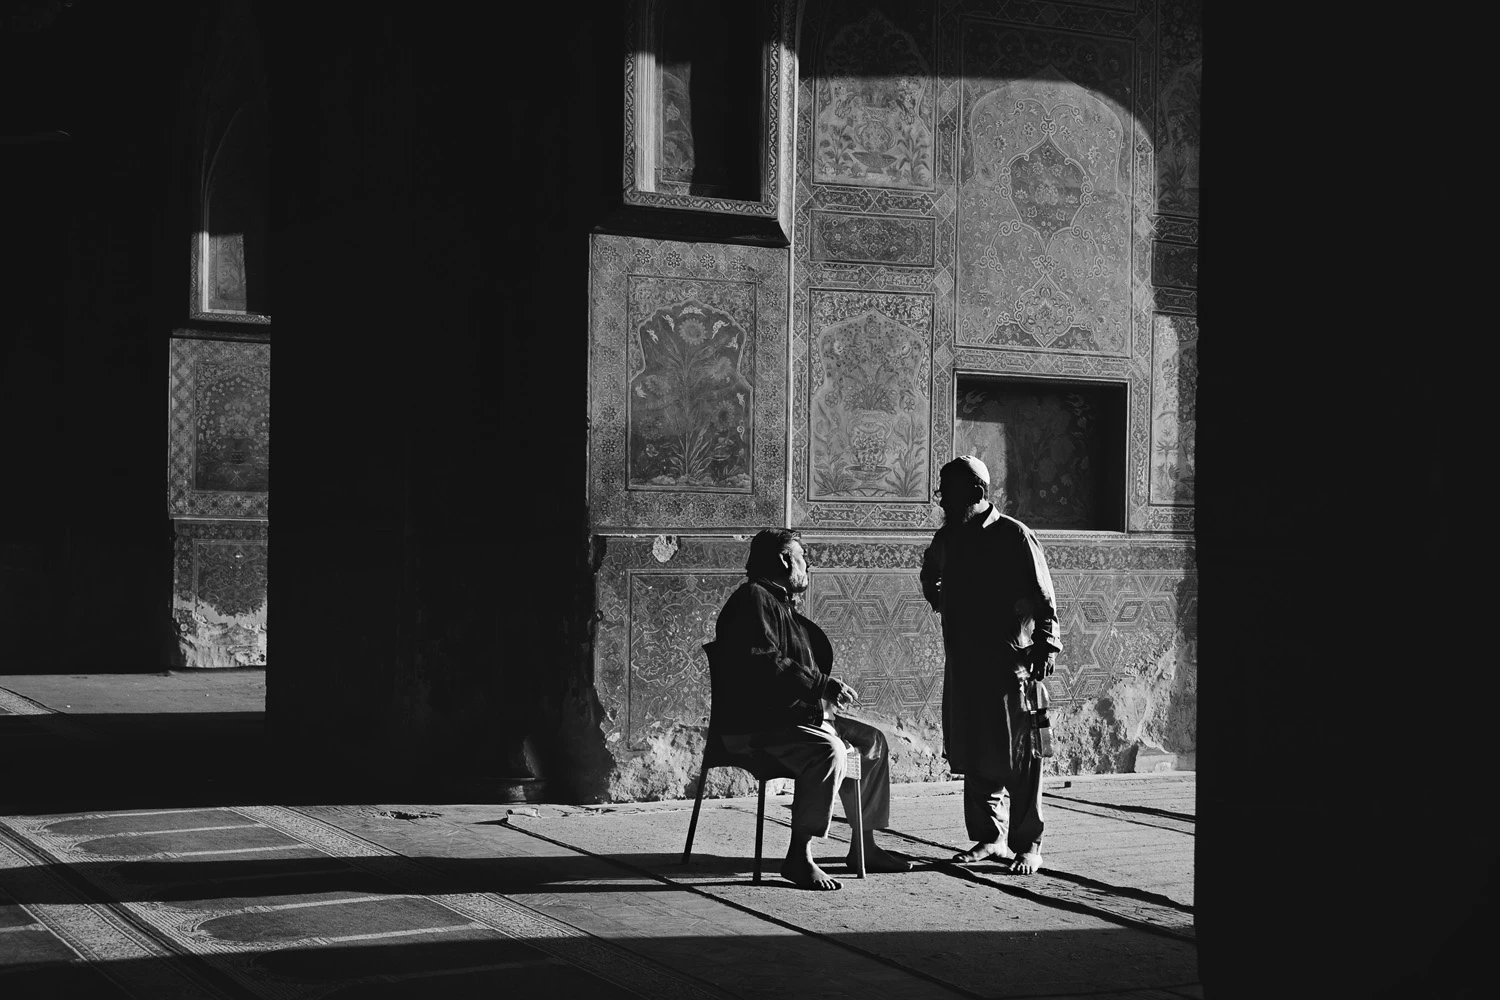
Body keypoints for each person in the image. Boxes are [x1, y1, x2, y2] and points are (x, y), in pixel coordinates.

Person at [713, 528, 912, 891]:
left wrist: (823, 692)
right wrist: (822, 685)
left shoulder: (780, 604)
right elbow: (764, 663)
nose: (808, 565)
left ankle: (863, 846)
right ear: (784, 559)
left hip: (798, 717)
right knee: (828, 751)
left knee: (872, 742)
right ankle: (799, 856)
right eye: (802, 556)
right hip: (762, 725)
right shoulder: (753, 599)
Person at [920, 456, 1061, 875]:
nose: (942, 501)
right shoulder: (948, 538)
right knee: (976, 749)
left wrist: (1046, 646)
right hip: (966, 666)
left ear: (978, 493)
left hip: (1010, 666)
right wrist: (944, 602)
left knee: (1022, 756)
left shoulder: (1015, 536)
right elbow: (930, 575)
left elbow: (1044, 598)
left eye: (949, 493)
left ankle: (1028, 844)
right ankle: (990, 837)